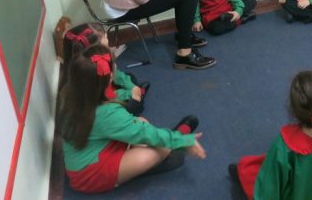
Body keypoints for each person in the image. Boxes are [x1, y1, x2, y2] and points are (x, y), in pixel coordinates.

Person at [60, 45, 206, 193]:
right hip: (90, 174)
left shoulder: (74, 95)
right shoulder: (107, 113)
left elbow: (137, 128)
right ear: (109, 78)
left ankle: (164, 148)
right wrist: (182, 140)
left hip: (96, 149)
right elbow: (144, 133)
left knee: (141, 122)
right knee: (158, 150)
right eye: (113, 66)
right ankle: (169, 149)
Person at [230, 70, 312, 199]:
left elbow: (268, 191)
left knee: (254, 172)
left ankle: (242, 172)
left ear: (294, 109)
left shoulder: (284, 146)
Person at [61, 23, 150, 116]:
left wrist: (131, 86)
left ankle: (136, 91)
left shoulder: (84, 65)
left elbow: (116, 75)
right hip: (104, 101)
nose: (107, 37)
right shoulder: (91, 74)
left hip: (105, 89)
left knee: (129, 77)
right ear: (95, 49)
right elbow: (105, 97)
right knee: (135, 103)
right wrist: (128, 94)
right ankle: (137, 97)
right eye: (104, 37)